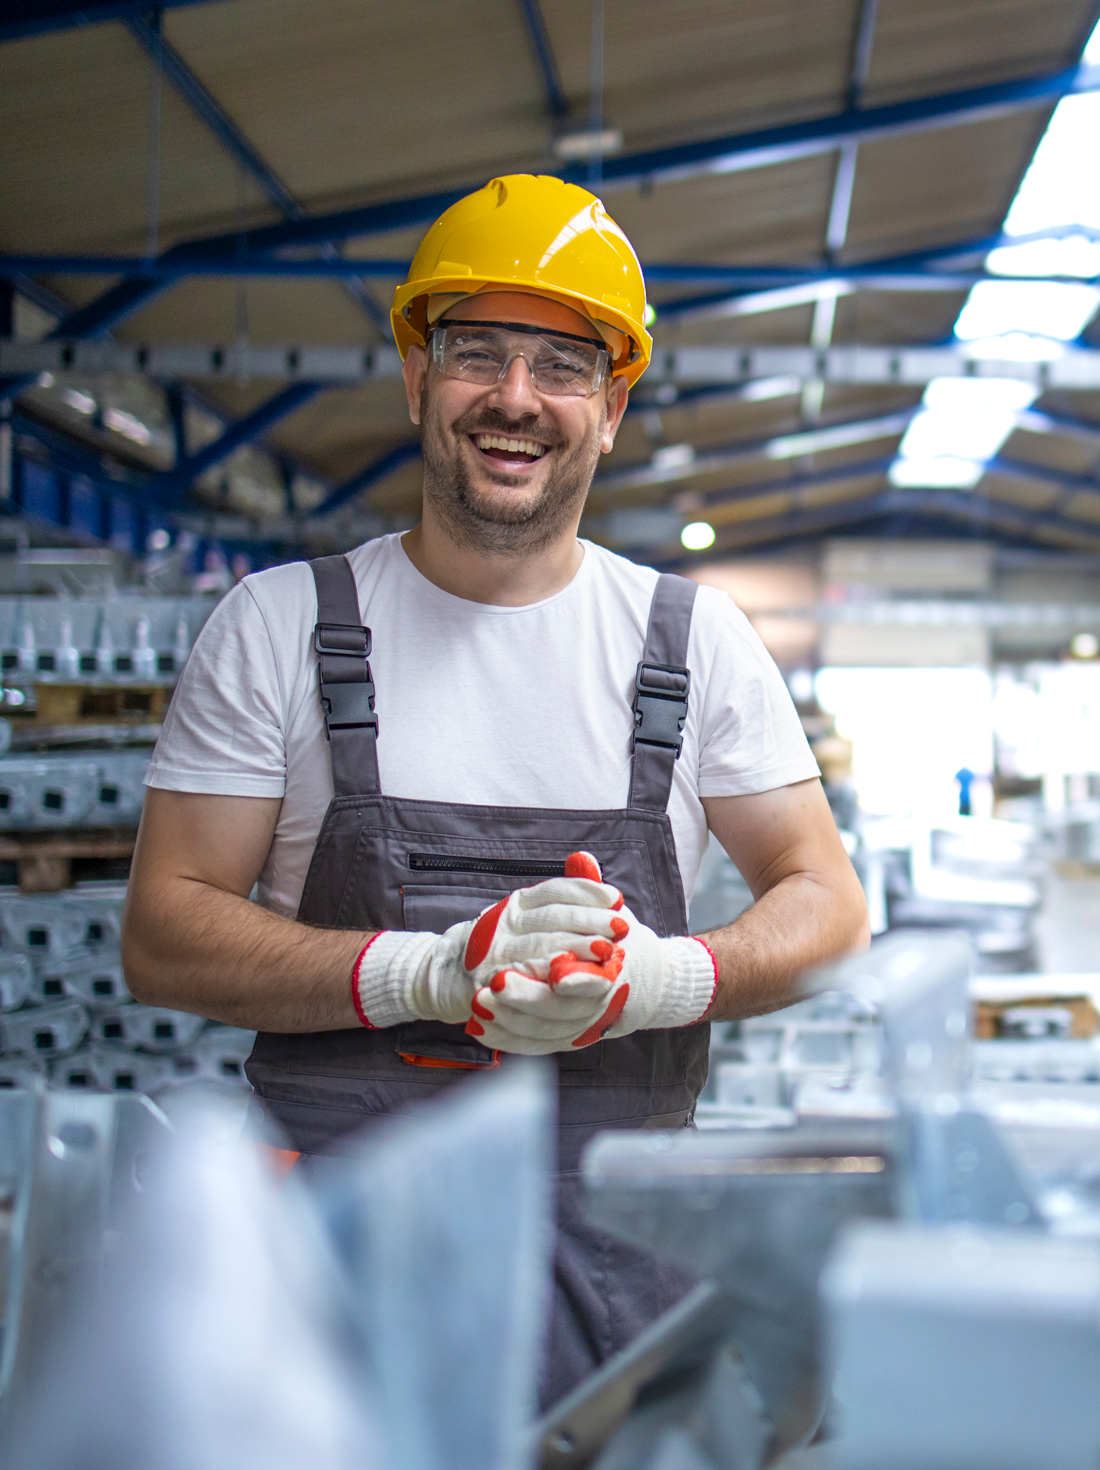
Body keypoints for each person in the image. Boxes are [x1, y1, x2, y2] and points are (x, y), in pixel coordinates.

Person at [121, 174, 869, 1405]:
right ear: (419, 377)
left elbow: (826, 900)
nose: (515, 399)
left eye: (562, 365)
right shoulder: (282, 626)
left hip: (621, 1262)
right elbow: (163, 931)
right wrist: (429, 971)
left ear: (612, 406)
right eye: (478, 353)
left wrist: (664, 980)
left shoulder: (686, 639)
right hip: (332, 1259)